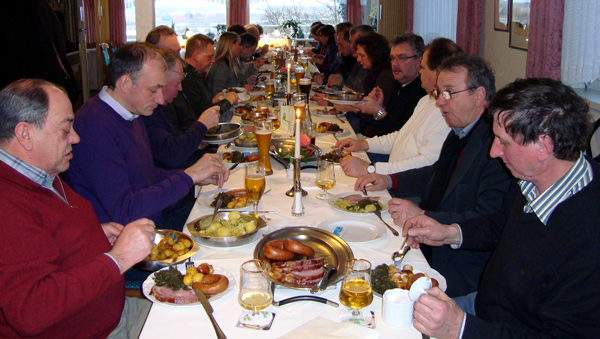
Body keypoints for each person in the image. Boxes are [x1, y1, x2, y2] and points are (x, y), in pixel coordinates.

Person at [403, 78, 600, 338]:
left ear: (544, 146)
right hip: (484, 306)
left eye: (503, 141)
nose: (494, 152)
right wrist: (449, 232)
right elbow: (501, 223)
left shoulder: (589, 238)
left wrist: (461, 328)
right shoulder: (529, 180)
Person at [0, 79, 155, 338]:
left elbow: (48, 239)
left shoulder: (40, 173)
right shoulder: (7, 204)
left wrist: (93, 233)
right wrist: (119, 258)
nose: (75, 137)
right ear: (25, 134)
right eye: (64, 130)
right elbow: (33, 310)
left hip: (116, 313)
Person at [356, 55, 512, 297]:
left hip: (458, 269)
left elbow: (489, 222)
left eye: (449, 93)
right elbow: (436, 173)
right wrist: (390, 180)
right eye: (439, 93)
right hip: (424, 245)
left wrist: (424, 215)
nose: (440, 102)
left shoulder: (498, 148)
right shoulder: (460, 131)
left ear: (479, 95)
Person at [65, 42, 229, 229]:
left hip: (153, 215)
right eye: (153, 90)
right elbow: (124, 211)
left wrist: (195, 175)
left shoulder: (132, 113)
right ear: (125, 83)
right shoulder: (93, 127)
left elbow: (147, 174)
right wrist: (189, 176)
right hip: (127, 235)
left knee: (229, 211)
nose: (160, 99)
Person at [336, 38, 461, 177]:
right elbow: (402, 136)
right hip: (392, 172)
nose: (420, 72)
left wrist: (371, 168)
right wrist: (363, 144)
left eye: (423, 68)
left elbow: (427, 163)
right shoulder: (427, 99)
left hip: (405, 184)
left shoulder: (446, 111)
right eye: (393, 58)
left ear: (438, 73)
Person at [142, 48, 220, 169]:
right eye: (177, 83)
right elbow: (171, 156)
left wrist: (196, 142)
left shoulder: (159, 107)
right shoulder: (147, 110)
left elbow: (174, 139)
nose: (180, 89)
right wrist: (202, 125)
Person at [172, 33, 238, 130]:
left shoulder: (195, 74)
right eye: (210, 57)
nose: (213, 61)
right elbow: (200, 115)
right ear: (197, 55)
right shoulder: (186, 79)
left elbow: (198, 105)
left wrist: (212, 101)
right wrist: (227, 101)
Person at [206, 32, 254, 97]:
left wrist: (243, 87)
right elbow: (218, 95)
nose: (241, 48)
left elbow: (233, 86)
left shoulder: (230, 62)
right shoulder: (221, 67)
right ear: (231, 45)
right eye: (239, 44)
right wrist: (241, 91)